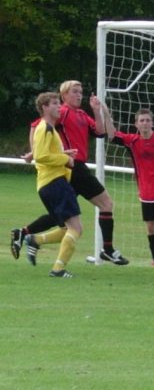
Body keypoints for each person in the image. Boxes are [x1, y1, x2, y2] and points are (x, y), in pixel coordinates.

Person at [12, 80, 129, 266]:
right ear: (64, 95)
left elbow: (100, 132)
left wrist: (98, 110)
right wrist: (34, 152)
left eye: (80, 91)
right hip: (73, 167)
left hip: (72, 168)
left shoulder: (81, 114)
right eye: (74, 91)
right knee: (105, 203)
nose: (79, 95)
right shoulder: (63, 112)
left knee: (64, 216)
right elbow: (38, 125)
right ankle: (107, 249)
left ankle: (26, 235)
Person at [107, 109, 154, 267]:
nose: (145, 123)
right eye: (141, 120)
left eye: (147, 120)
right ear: (136, 124)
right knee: (150, 228)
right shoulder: (132, 141)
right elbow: (112, 135)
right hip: (146, 193)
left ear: (152, 123)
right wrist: (104, 113)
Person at [22, 92, 82, 278]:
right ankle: (58, 269)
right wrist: (65, 159)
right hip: (54, 183)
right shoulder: (45, 127)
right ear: (45, 107)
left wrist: (64, 152)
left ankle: (35, 239)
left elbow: (44, 153)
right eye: (55, 103)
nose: (59, 107)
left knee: (66, 228)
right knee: (76, 228)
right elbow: (40, 156)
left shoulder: (48, 128)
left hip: (48, 184)